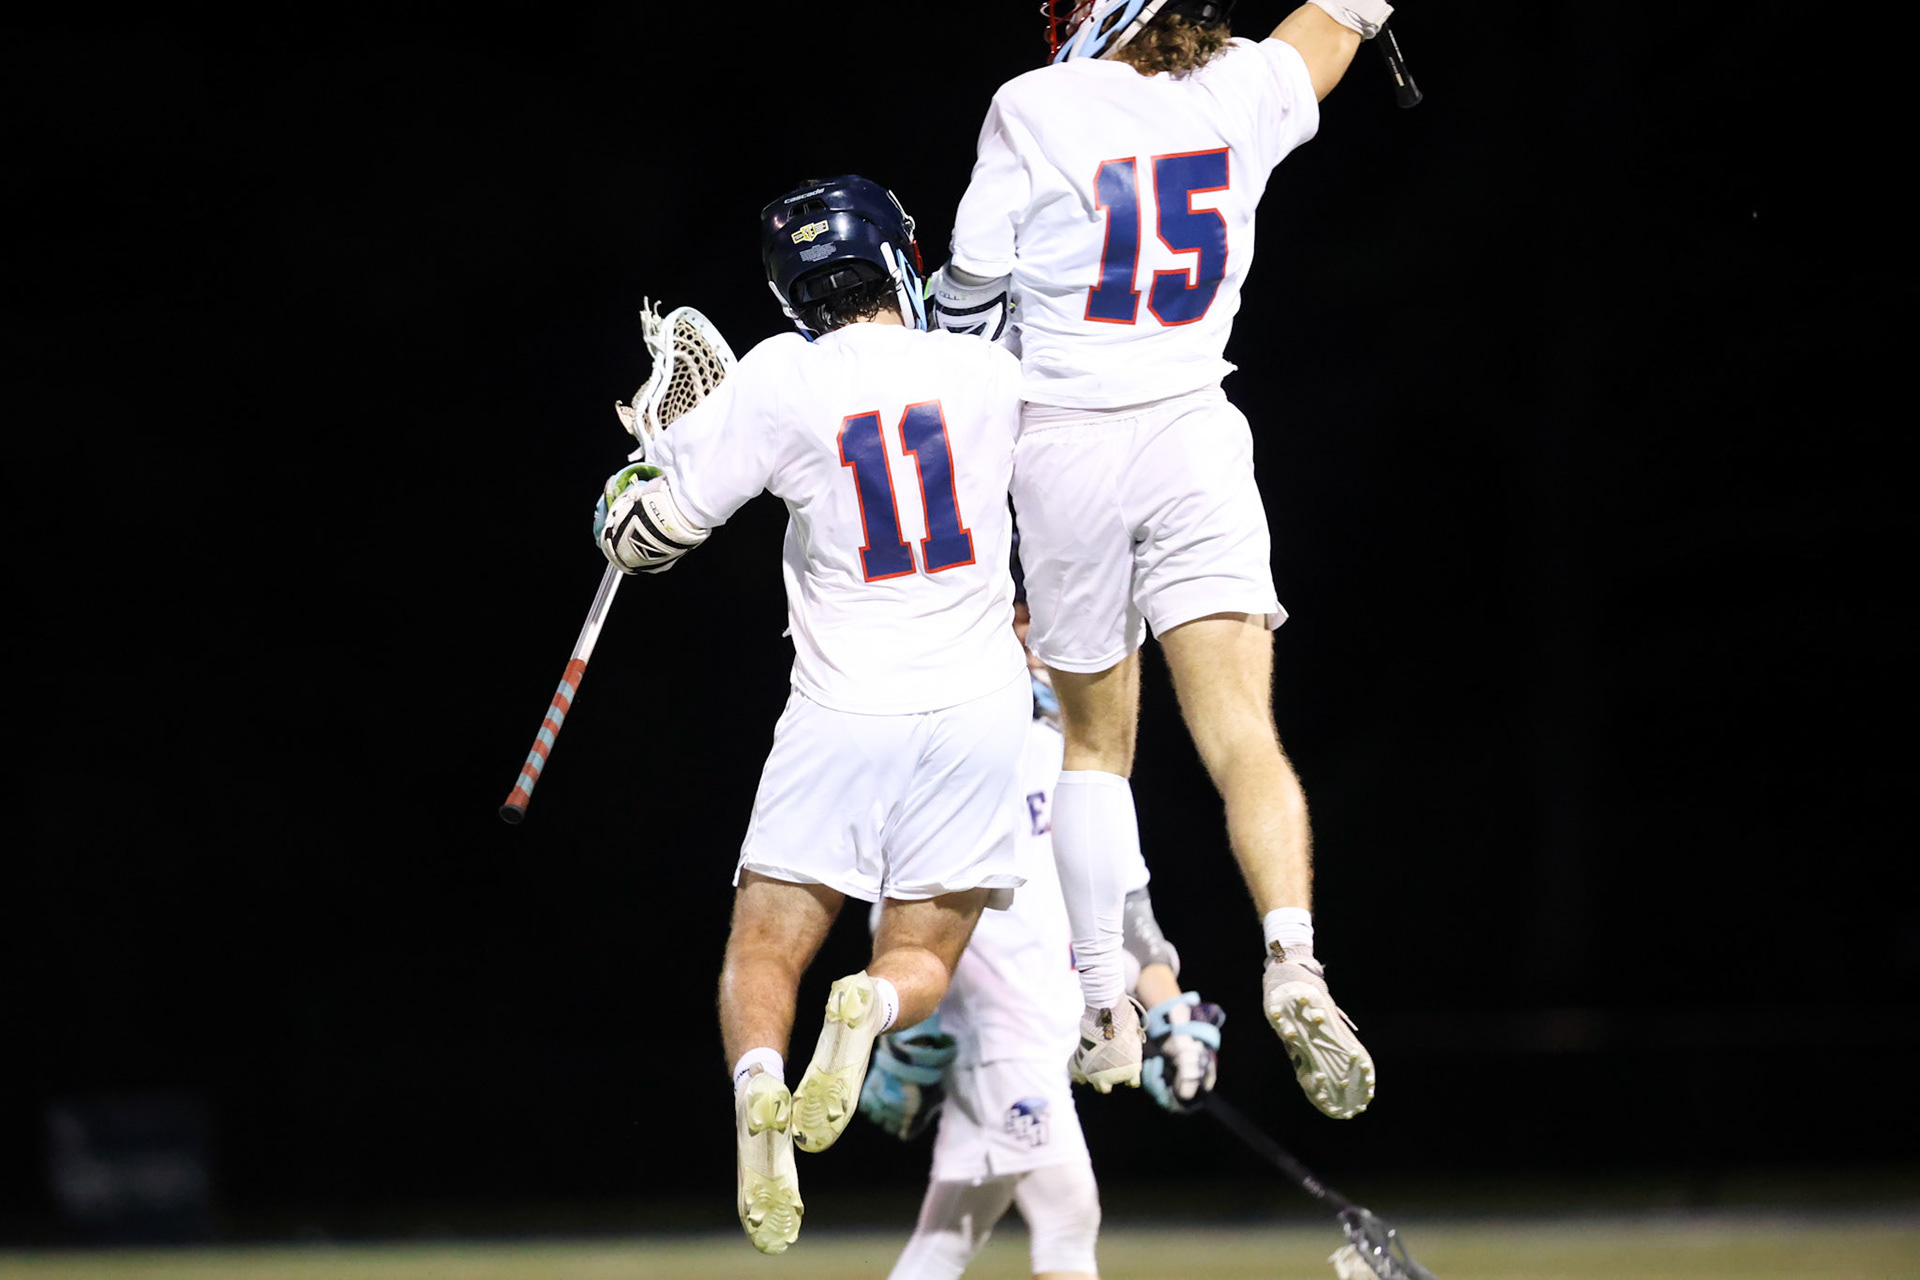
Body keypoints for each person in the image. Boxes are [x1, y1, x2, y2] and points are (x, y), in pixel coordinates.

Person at [924, 0, 1392, 1118]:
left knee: (1094, 744)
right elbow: (1339, 20)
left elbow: (967, 304)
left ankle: (1104, 1003)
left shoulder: (1031, 106)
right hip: (1195, 429)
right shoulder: (1236, 89)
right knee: (1245, 734)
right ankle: (1293, 958)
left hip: (1070, 443)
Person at [592, 174, 1030, 1255]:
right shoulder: (987, 370)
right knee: (921, 954)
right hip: (978, 705)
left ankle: (756, 1090)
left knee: (763, 953)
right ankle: (869, 1013)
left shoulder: (782, 377)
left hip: (840, 705)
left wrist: (628, 485)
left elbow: (651, 533)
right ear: (897, 258)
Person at [857, 596, 1225, 1280]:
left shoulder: (1085, 766)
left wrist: (1173, 1020)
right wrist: (907, 1033)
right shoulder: (969, 751)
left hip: (1043, 1037)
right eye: (1017, 617)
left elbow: (1125, 914)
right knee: (1068, 1215)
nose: (1032, 636)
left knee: (945, 1241)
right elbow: (903, 907)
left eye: (1040, 618)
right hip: (1002, 1039)